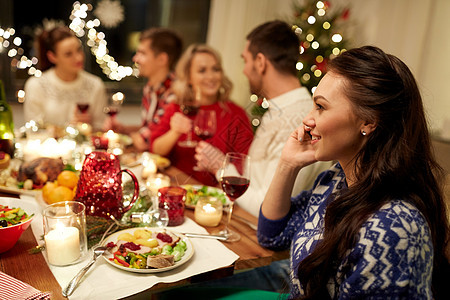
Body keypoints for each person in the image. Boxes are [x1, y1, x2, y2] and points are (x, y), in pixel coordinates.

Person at [258, 46, 450, 299]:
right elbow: (272, 235)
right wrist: (287, 164)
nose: (307, 119)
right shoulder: (333, 181)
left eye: (321, 107)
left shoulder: (393, 228)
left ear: (368, 121)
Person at [195, 20, 332, 217]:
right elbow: (256, 182)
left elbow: (266, 206)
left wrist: (221, 167)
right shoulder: (278, 108)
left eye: (245, 60)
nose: (244, 70)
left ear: (260, 62)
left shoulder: (300, 121)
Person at [150, 44, 253, 186]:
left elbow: (244, 164)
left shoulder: (236, 114)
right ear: (189, 77)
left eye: (216, 69)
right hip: (176, 187)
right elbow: (155, 150)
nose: (210, 76)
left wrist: (218, 163)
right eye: (202, 70)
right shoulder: (177, 107)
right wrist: (174, 132)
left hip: (215, 194)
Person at [103, 27, 183, 151]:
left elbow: (146, 143)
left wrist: (131, 136)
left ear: (162, 59)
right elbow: (148, 129)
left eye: (142, 53)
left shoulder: (175, 93)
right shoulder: (150, 88)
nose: (135, 58)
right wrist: (124, 129)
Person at [24, 26, 107, 129]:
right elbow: (33, 130)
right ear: (52, 57)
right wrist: (69, 128)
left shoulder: (95, 84)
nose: (79, 57)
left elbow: (101, 129)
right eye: (68, 54)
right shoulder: (35, 85)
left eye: (79, 50)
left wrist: (88, 127)